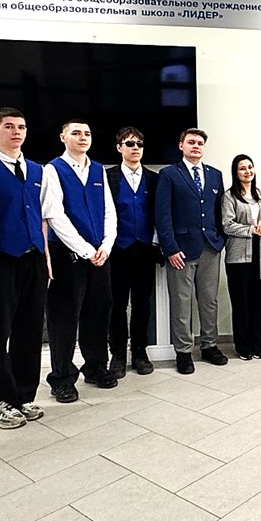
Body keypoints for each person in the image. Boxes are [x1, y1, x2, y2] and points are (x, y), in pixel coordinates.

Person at [0, 107, 49, 429]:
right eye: (9, 126)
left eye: (21, 127)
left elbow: (43, 218)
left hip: (33, 258)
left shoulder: (37, 171)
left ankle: (24, 394)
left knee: (30, 331)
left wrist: (46, 259)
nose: (16, 132)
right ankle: (1, 400)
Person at [43, 119, 119, 402]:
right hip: (67, 255)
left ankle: (96, 367)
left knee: (98, 313)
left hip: (100, 255)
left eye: (87, 133)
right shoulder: (53, 169)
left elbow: (109, 210)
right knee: (63, 318)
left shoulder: (98, 169)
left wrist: (106, 246)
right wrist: (85, 249)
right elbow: (54, 214)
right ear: (63, 137)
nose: (83, 137)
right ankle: (62, 378)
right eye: (76, 133)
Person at [155, 128, 228, 374]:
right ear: (181, 145)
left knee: (209, 301)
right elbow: (162, 215)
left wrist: (220, 240)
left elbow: (219, 211)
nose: (196, 146)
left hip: (211, 247)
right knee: (181, 302)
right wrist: (170, 248)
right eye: (191, 142)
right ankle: (184, 351)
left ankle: (209, 345)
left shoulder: (215, 175)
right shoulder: (169, 175)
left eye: (200, 143)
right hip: (181, 250)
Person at [106, 127, 161, 376]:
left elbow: (159, 214)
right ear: (119, 147)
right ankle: (118, 354)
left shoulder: (154, 178)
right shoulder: (108, 177)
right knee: (117, 304)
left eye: (139, 144)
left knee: (142, 304)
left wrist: (157, 244)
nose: (135, 148)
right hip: (117, 249)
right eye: (130, 143)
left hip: (144, 249)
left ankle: (139, 351)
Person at [221, 154, 261, 360]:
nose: (247, 171)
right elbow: (227, 225)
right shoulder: (229, 197)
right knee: (241, 303)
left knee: (258, 302)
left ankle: (258, 345)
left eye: (250, 167)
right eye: (242, 168)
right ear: (236, 173)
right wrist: (252, 229)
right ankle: (243, 347)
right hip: (238, 256)